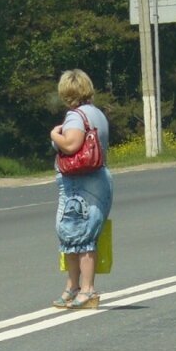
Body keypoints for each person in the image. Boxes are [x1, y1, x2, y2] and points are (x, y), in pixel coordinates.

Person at [49, 69, 113, 309]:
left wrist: (55, 134)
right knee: (72, 235)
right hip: (96, 179)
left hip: (82, 183)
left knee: (81, 236)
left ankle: (86, 290)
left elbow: (71, 144)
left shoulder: (76, 116)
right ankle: (72, 287)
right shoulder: (97, 114)